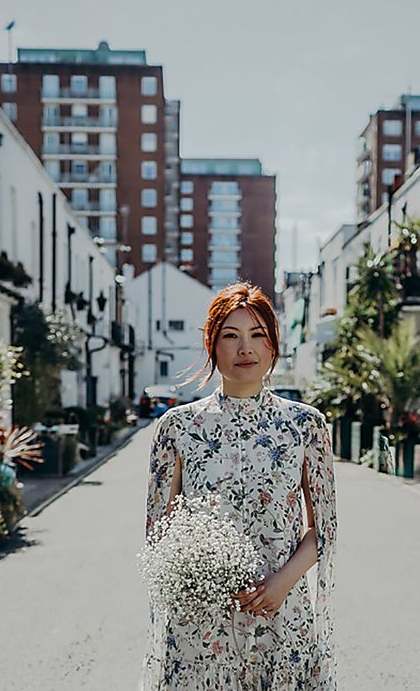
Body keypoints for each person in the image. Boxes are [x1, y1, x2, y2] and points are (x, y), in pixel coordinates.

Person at [142, 282, 337, 690]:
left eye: (257, 335)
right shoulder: (177, 428)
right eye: (231, 336)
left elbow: (325, 528)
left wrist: (279, 585)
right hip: (202, 623)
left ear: (273, 346)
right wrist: (207, 576)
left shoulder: (306, 425)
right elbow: (159, 532)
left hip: (282, 616)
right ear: (212, 346)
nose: (245, 348)